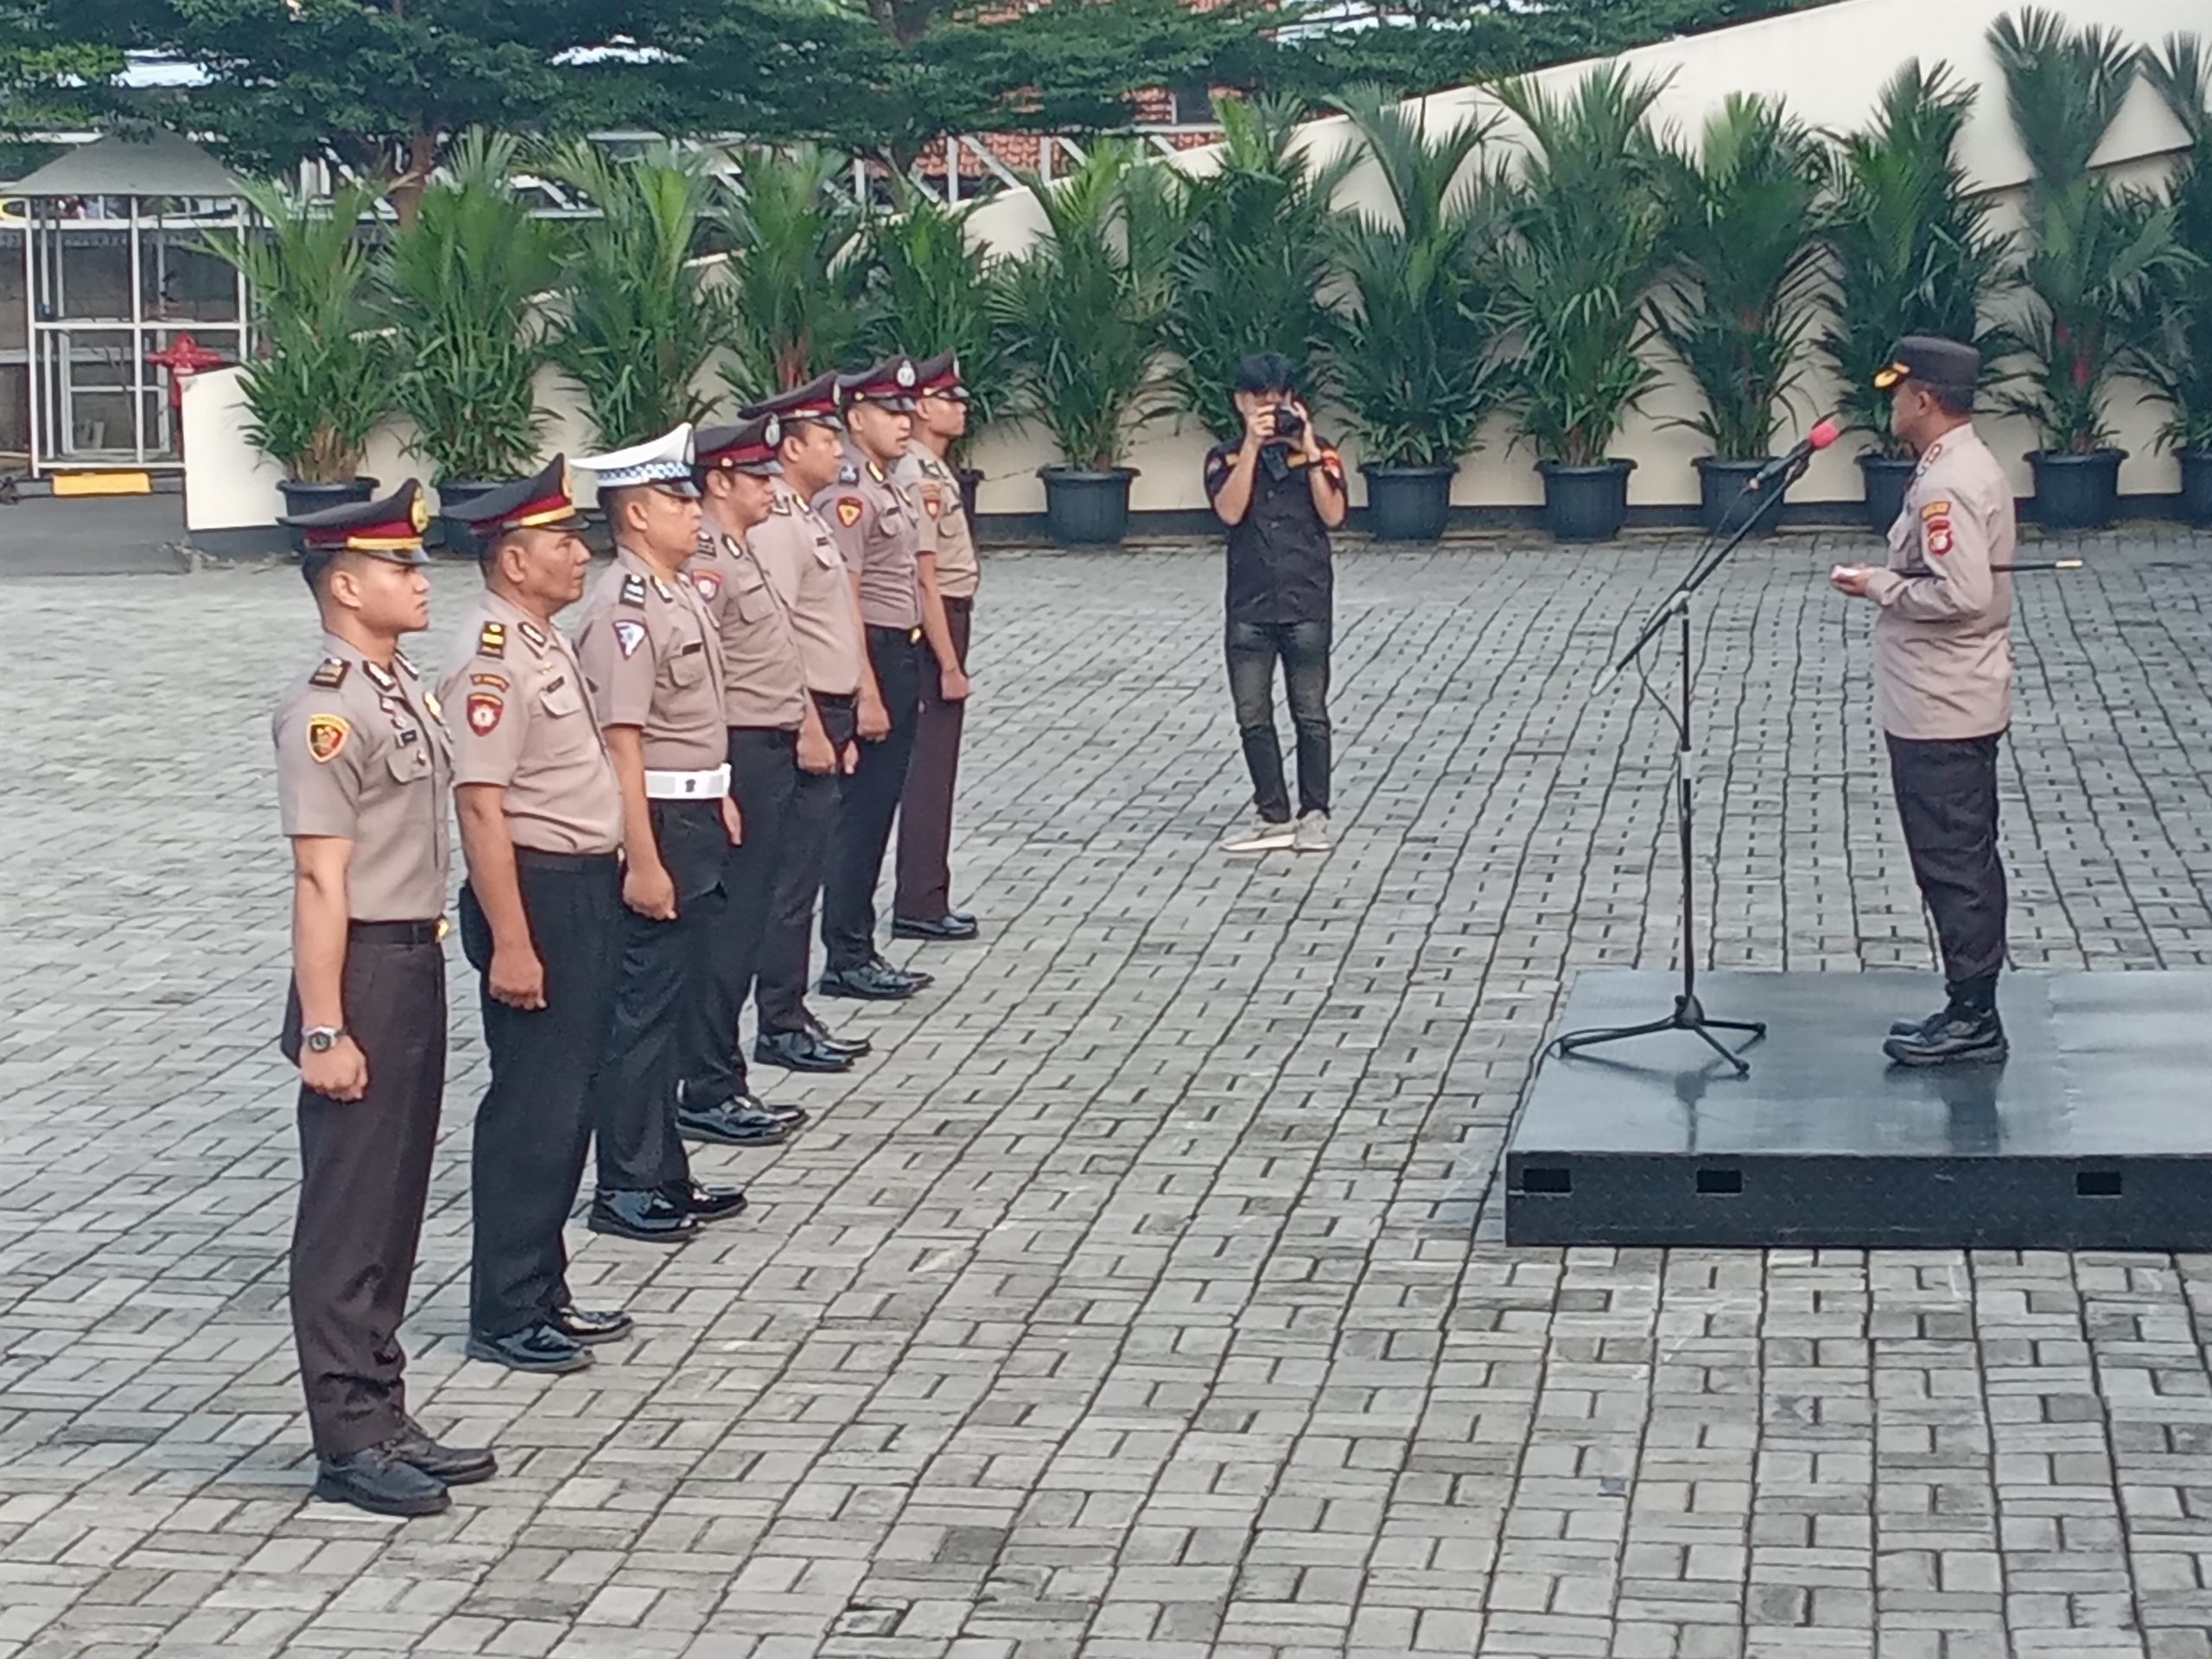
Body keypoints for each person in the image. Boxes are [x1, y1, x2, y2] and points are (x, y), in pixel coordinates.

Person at [270, 480, 494, 1516]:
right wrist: (324, 1025)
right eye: (400, 567)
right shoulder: (327, 710)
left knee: (397, 1200)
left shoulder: (400, 687)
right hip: (358, 967)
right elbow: (320, 879)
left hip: (414, 957)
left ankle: (383, 1405)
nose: (420, 579)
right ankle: (345, 1437)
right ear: (347, 585)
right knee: (347, 1214)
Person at [437, 459, 635, 1376]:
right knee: (534, 1107)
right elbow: (480, 807)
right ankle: (506, 1308)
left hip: (582, 886)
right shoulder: (488, 661)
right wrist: (510, 941)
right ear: (514, 562)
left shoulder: (542, 640)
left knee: (573, 1098)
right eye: (561, 540)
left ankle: (543, 1287)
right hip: (537, 894)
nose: (579, 551)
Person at [572, 423, 757, 1248]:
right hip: (657, 827)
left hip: (692, 813)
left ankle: (665, 1171)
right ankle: (627, 1182)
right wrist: (642, 856)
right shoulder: (627, 609)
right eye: (680, 502)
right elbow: (621, 740)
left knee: (673, 1004)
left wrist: (717, 793)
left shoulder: (676, 591)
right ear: (639, 514)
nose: (695, 515)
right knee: (641, 1014)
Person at [1829, 334, 2015, 1066]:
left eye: (1899, 393)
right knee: (1953, 853)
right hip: (1944, 697)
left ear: (1927, 398)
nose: (1894, 405)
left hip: (1944, 703)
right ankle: (1966, 1004)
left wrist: (1877, 584)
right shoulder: (1954, 465)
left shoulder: (1947, 484)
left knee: (1954, 859)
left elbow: (1961, 593)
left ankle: (1975, 1016)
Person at [677, 413, 819, 1130]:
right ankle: (708, 1083)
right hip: (737, 751)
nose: (771, 488)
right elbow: (703, 678)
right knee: (727, 931)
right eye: (756, 477)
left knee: (750, 918)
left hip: (768, 744)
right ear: (719, 481)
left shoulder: (743, 547)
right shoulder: (707, 560)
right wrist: (719, 774)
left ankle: (717, 1074)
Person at [741, 373, 880, 1072]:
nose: (839, 449)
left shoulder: (806, 515)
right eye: (827, 438)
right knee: (791, 880)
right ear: (790, 448)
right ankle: (778, 1021)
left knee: (807, 869)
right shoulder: (777, 528)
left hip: (828, 707)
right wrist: (809, 725)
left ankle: (791, 1009)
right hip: (803, 713)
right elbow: (778, 633)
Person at [812, 355, 937, 1001]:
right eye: (891, 412)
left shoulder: (887, 482)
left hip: (901, 650)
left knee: (880, 809)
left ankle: (859, 942)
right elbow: (846, 596)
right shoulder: (851, 497)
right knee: (858, 818)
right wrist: (865, 689)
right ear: (856, 419)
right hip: (876, 655)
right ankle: (846, 953)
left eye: (907, 412)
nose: (905, 423)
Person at [1203, 351, 1347, 855]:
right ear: (1241, 402)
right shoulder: (1224, 457)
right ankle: (1273, 812)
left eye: (1279, 400)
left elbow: (1333, 514)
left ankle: (1315, 814)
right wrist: (1252, 443)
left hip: (1306, 600)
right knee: (1252, 715)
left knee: (1310, 712)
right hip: (1250, 605)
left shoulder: (1320, 450)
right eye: (1260, 402)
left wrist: (1305, 446)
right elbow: (1229, 510)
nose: (1272, 410)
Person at [892, 350, 980, 944]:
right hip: (937, 621)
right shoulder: (918, 475)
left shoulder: (935, 468)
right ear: (923, 407)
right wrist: (948, 662)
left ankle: (929, 892)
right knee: (930, 769)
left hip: (950, 612)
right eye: (950, 399)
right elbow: (922, 574)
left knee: (937, 767)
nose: (961, 408)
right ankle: (920, 899)